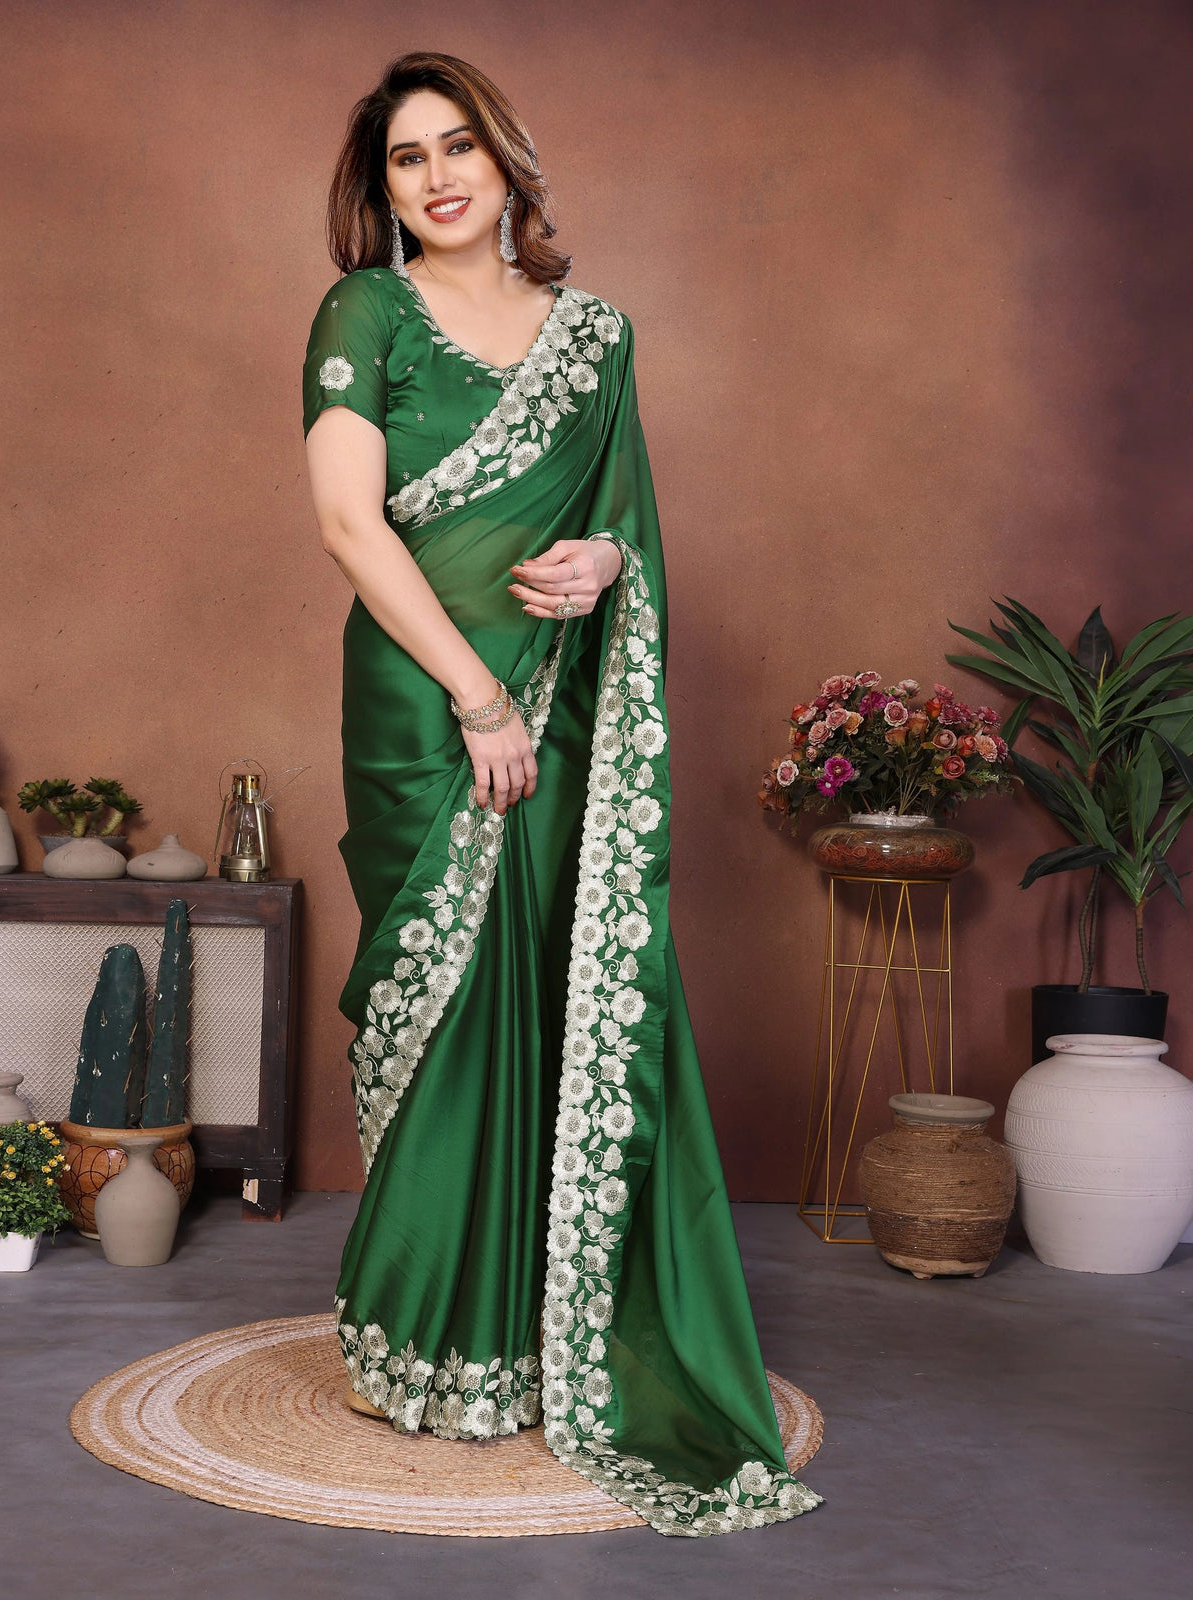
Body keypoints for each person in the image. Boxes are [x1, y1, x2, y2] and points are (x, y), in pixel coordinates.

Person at [302, 50, 821, 1538]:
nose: (438, 177)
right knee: (444, 1001)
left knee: (546, 991)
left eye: (458, 146)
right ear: (383, 189)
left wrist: (601, 566)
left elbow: (621, 536)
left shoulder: (596, 339)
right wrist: (471, 692)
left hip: (563, 704)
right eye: (407, 159)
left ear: (507, 161)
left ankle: (532, 1331)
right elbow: (347, 520)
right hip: (424, 702)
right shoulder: (367, 313)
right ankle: (420, 1333)